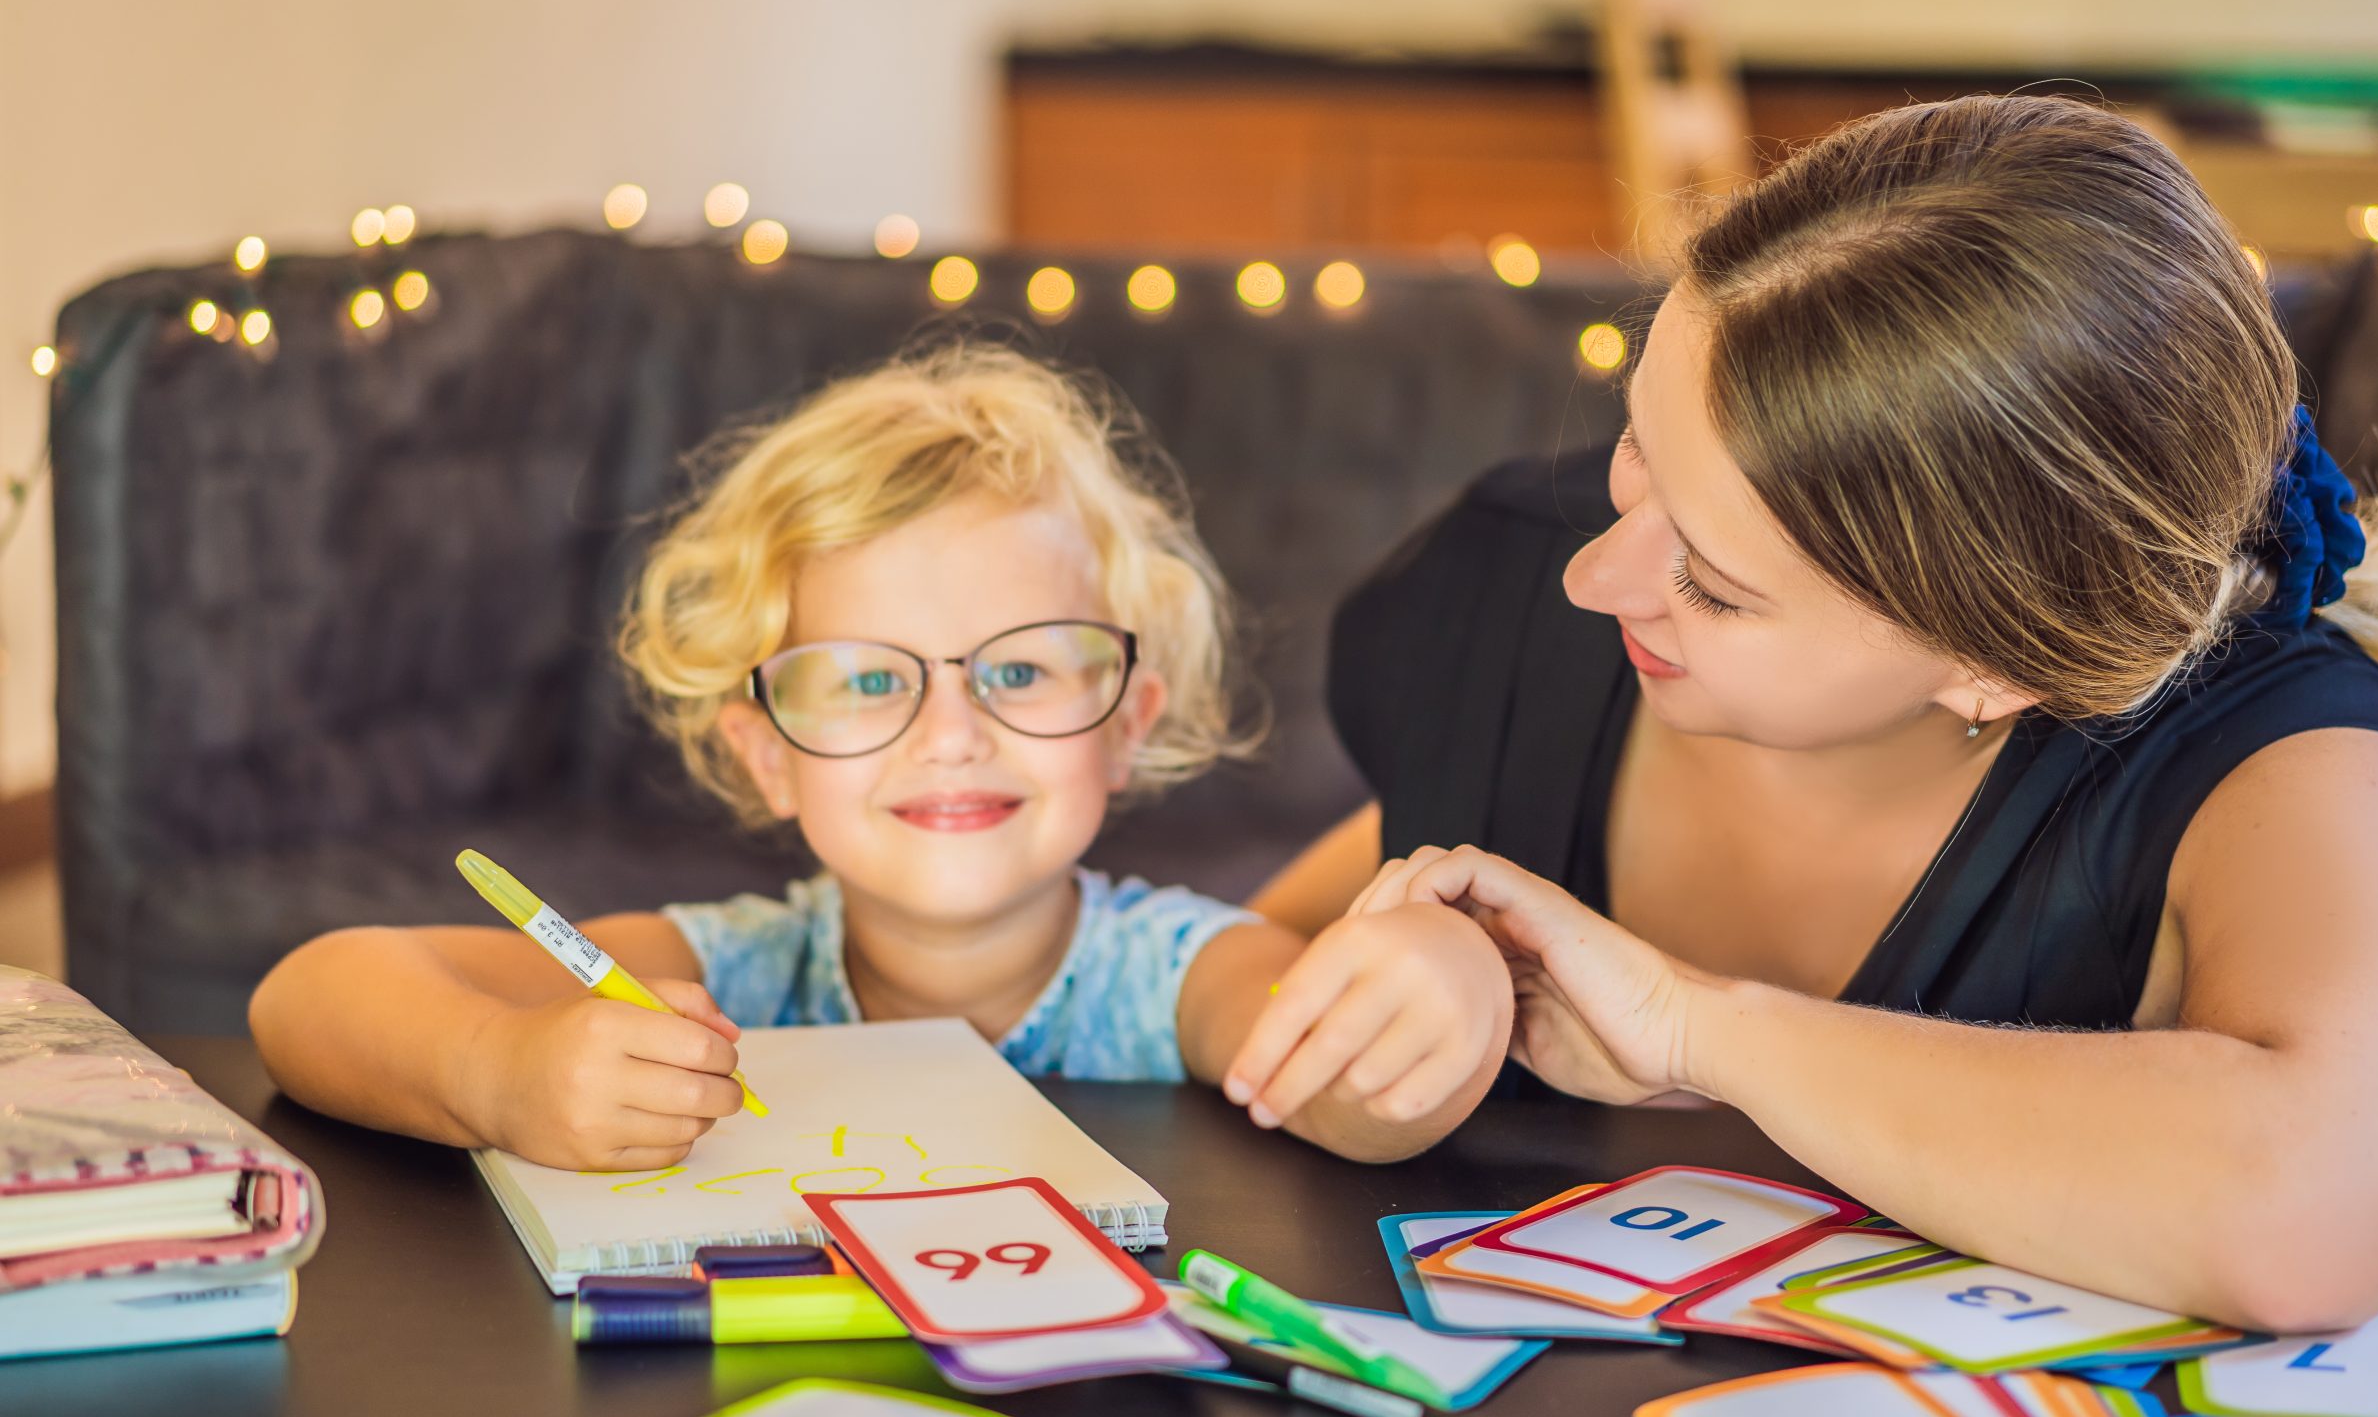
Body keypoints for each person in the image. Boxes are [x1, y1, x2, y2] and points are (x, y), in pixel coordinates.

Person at [1234, 95, 2378, 1332]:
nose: (1592, 576)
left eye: (1713, 588)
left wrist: (1697, 1030)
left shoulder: (2286, 759)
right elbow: (1269, 944)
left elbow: (2315, 1214)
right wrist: (1421, 984)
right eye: (1636, 451)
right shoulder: (1505, 599)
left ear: (1989, 664)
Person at [250, 346, 1510, 1169]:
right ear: (767, 758)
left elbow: (1357, 1096)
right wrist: (501, 1073)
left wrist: (1448, 991)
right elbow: (307, 996)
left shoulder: (1178, 974)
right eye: (866, 681)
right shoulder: (729, 971)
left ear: (1127, 722)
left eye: (1017, 669)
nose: (950, 731)